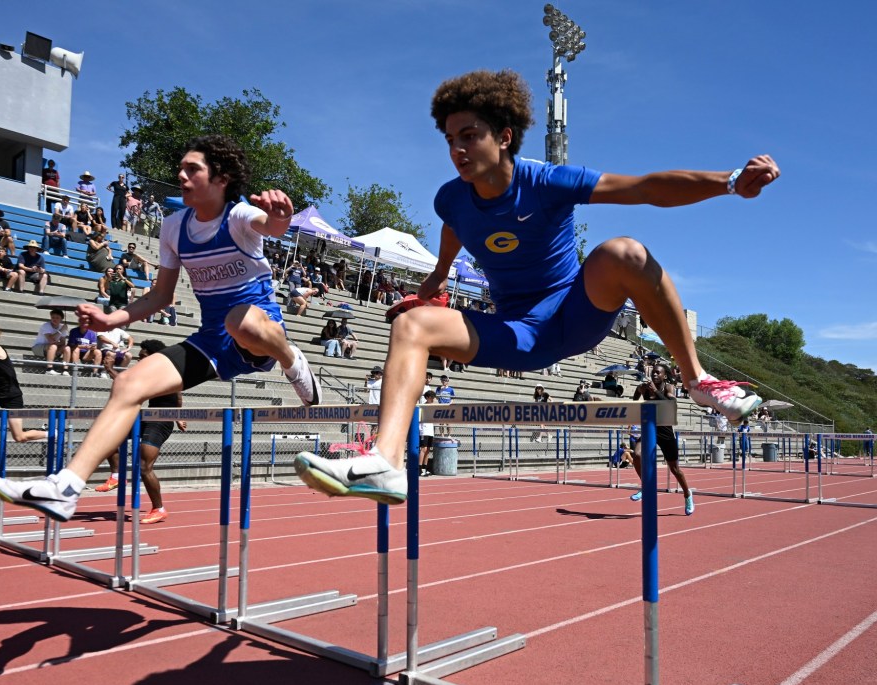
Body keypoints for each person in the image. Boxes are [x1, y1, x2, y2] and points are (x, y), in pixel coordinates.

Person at [295, 68, 778, 504]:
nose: (457, 149)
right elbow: (454, 225)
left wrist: (730, 181)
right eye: (449, 139)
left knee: (623, 251)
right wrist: (439, 275)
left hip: (575, 312)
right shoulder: (451, 198)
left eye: (469, 135)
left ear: (504, 137)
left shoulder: (547, 182)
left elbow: (645, 188)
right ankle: (386, 463)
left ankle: (698, 381)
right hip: (517, 334)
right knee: (412, 324)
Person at [0, 134, 321, 522]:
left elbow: (273, 227)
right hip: (212, 342)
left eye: (192, 169)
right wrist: (111, 319)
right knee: (127, 385)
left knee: (238, 318)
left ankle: (292, 359)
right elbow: (160, 296)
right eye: (181, 167)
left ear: (221, 178)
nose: (181, 174)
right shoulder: (174, 227)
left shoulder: (239, 216)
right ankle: (65, 488)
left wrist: (279, 216)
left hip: (258, 332)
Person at [94, 340, 187, 526]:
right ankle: (117, 475)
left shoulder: (164, 371)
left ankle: (158, 508)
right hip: (148, 416)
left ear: (153, 356)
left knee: (144, 466)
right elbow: (177, 396)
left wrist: (111, 370)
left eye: (142, 355)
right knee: (106, 436)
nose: (139, 358)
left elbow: (136, 390)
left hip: (161, 420)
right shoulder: (149, 371)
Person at [629, 362, 694, 515]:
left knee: (675, 469)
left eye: (658, 372)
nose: (655, 374)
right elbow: (636, 394)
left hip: (665, 431)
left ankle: (687, 494)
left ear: (665, 375)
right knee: (636, 455)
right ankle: (646, 486)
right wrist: (633, 410)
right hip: (649, 428)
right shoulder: (645, 387)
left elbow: (671, 404)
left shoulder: (668, 388)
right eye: (653, 372)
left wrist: (656, 392)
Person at [31, 308, 69, 374]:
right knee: (53, 346)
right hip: (39, 348)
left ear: (61, 319)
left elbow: (63, 342)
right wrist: (61, 330)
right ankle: (49, 369)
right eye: (53, 317)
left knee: (67, 348)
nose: (54, 319)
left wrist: (58, 347)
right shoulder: (46, 326)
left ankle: (65, 370)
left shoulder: (62, 327)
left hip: (52, 347)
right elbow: (50, 340)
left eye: (57, 318)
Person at [418, 388, 437, 475]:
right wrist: (420, 430)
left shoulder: (432, 407)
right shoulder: (422, 406)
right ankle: (419, 468)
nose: (433, 399)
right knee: (423, 449)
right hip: (424, 430)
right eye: (432, 398)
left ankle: (425, 469)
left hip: (430, 430)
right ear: (428, 397)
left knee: (428, 450)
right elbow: (419, 419)